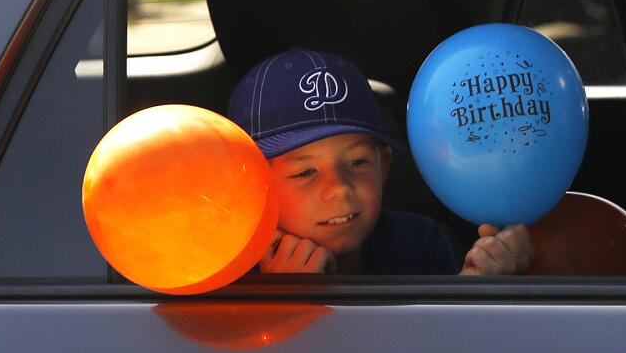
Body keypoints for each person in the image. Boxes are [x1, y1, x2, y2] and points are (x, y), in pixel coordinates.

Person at [228, 47, 533, 276]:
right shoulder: (232, 276)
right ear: (254, 188)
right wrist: (278, 304)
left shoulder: (420, 244)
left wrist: (478, 292)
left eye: (357, 162)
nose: (339, 189)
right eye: (305, 171)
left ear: (384, 166)